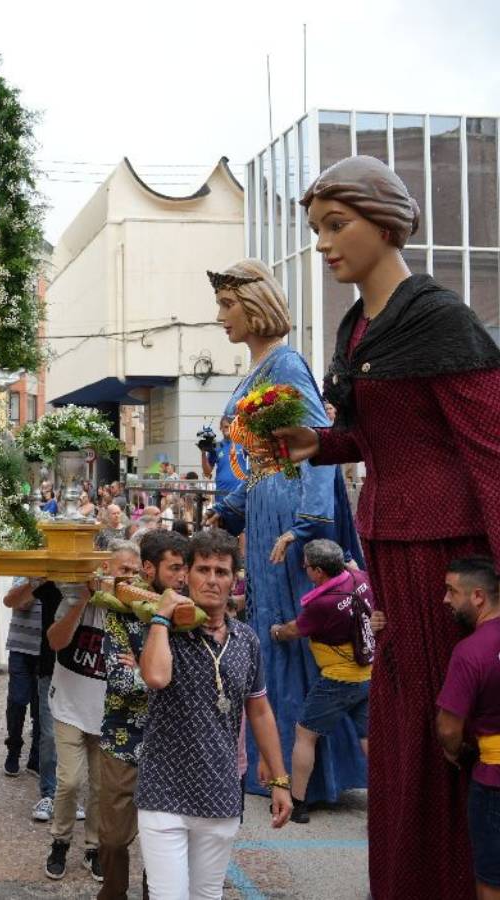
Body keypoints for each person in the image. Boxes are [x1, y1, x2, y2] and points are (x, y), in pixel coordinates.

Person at [270, 155, 500, 900]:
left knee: (448, 732)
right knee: (402, 735)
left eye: (337, 225)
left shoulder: (438, 317)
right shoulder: (359, 326)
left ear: (386, 220)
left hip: (447, 557)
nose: (324, 243)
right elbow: (378, 437)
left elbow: (491, 453)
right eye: (317, 229)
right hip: (391, 551)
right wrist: (318, 443)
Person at [205, 259, 365, 806]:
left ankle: (309, 776)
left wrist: (307, 526)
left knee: (297, 637)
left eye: (228, 306)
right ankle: (277, 765)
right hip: (265, 506)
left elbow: (317, 447)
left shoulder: (287, 365)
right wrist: (229, 508)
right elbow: (254, 460)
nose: (220, 317)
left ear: (255, 306)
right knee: (273, 632)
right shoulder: (261, 368)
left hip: (289, 519)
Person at [136, 529, 293, 899]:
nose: (211, 580)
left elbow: (259, 710)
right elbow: (156, 676)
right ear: (186, 575)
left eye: (221, 572)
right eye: (203, 569)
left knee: (207, 896)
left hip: (219, 793)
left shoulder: (246, 639)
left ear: (234, 579)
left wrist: (280, 781)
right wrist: (161, 618)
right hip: (164, 792)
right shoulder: (165, 631)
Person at [93, 533, 187, 900]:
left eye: (184, 568)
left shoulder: (187, 614)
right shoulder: (119, 608)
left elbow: (188, 681)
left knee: (162, 844)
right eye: (174, 568)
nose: (182, 576)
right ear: (150, 569)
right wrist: (158, 674)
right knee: (114, 839)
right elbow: (120, 681)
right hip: (123, 741)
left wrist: (146, 669)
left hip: (170, 745)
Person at [269, 539, 376, 823]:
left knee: (305, 734)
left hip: (338, 679)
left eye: (306, 566)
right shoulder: (360, 577)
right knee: (367, 738)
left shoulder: (322, 604)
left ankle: (298, 803)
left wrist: (276, 631)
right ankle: (384, 797)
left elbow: (295, 630)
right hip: (368, 674)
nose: (303, 569)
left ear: (318, 572)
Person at [42, 560, 115, 882]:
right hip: (69, 706)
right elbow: (55, 641)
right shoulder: (75, 598)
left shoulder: (129, 611)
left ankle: (93, 848)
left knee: (101, 787)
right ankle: (60, 841)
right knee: (70, 781)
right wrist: (82, 600)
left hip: (107, 711)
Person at [436, 557, 500, 900]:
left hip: (494, 780)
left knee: (492, 879)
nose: (446, 600)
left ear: (478, 596)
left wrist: (455, 749)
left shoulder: (471, 651)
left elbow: (448, 727)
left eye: (451, 591)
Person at [2, 571, 44, 777]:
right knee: (17, 702)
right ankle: (14, 748)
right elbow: (16, 602)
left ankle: (35, 758)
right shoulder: (25, 569)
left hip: (47, 650)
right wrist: (36, 581)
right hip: (21, 646)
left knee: (41, 709)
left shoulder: (62, 572)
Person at [200, 417, 249, 500]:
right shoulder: (216, 446)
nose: (228, 429)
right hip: (221, 492)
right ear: (221, 428)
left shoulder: (244, 443)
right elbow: (207, 472)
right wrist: (203, 453)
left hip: (240, 492)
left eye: (231, 426)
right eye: (226, 427)